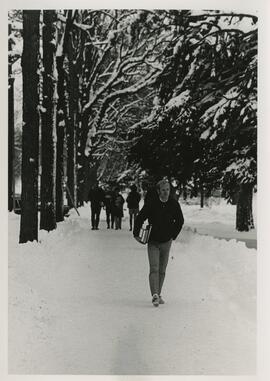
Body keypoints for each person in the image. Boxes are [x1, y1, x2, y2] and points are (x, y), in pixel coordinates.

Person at [133, 179, 184, 307]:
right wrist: (136, 233)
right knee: (154, 268)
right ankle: (154, 295)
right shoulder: (152, 203)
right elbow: (140, 217)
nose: (166, 192)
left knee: (162, 270)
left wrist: (173, 235)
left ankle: (158, 293)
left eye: (168, 190)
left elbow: (180, 221)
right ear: (158, 191)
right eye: (163, 190)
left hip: (167, 241)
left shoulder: (174, 204)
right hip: (153, 241)